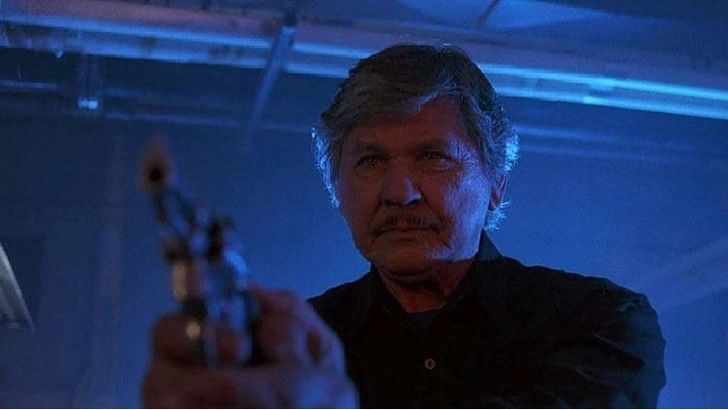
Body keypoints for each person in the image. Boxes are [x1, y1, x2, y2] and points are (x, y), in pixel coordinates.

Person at [142, 44, 666, 408]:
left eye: (433, 157)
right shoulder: (296, 344)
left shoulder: (602, 321)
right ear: (338, 191)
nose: (399, 192)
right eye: (370, 161)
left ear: (496, 184)